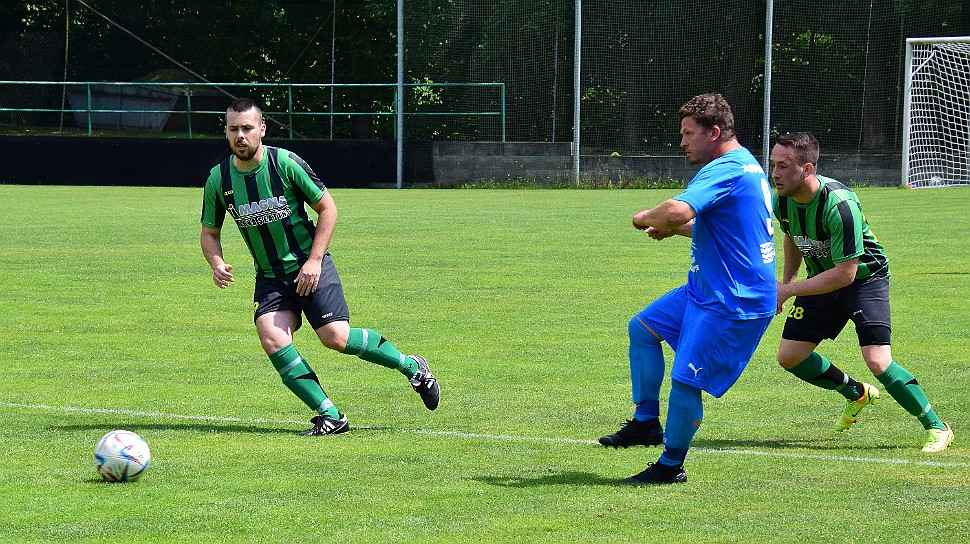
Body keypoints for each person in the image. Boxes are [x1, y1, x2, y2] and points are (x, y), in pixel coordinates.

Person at [200, 98, 440, 436]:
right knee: (271, 335)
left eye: (248, 128)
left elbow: (328, 209)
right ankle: (330, 415)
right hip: (270, 277)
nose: (241, 135)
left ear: (262, 130)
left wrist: (314, 261)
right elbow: (210, 232)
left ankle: (411, 366)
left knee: (336, 338)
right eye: (234, 129)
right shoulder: (218, 178)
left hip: (309, 265)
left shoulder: (285, 164)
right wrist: (216, 262)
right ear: (225, 132)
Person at [599, 93, 777, 484]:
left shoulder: (726, 168)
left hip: (732, 298)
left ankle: (669, 466)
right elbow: (721, 230)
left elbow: (679, 208)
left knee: (686, 379)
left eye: (687, 133)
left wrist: (644, 217)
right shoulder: (743, 165)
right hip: (707, 287)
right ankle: (646, 422)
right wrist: (671, 228)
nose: (682, 142)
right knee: (643, 329)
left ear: (714, 133)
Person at [770, 131, 953, 452]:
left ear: (807, 169)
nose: (775, 173)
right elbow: (792, 236)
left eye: (783, 166)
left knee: (878, 360)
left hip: (864, 280)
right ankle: (856, 392)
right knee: (790, 357)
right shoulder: (782, 200)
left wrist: (789, 290)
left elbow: (846, 273)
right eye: (773, 165)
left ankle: (937, 426)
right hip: (821, 280)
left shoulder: (839, 205)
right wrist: (787, 281)